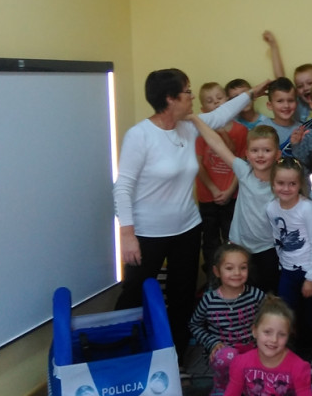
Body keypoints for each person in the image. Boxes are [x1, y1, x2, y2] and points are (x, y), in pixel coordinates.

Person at [113, 68, 267, 365]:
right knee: (133, 294)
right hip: (147, 233)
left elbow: (220, 115)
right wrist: (127, 234)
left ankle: (176, 359)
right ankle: (120, 357)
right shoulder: (140, 135)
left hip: (187, 228)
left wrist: (252, 93)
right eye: (187, 91)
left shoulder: (188, 126)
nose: (192, 96)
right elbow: (123, 187)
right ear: (170, 98)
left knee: (182, 297)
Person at [190, 117, 282, 295]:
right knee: (239, 293)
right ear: (247, 154)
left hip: (269, 249)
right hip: (240, 247)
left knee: (267, 294)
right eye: (255, 150)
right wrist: (196, 120)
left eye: (267, 150)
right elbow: (217, 143)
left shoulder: (281, 182)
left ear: (277, 154)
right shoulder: (244, 171)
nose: (260, 155)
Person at [265, 157, 312, 368]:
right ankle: (293, 352)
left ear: (300, 184)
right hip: (287, 271)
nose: (286, 188)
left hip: (307, 271)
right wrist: (281, 265)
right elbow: (277, 238)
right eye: (281, 183)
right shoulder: (271, 208)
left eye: (292, 183)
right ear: (273, 183)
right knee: (287, 314)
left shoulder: (307, 208)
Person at [189, 244, 266, 396]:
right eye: (229, 268)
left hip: (251, 349)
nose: (237, 273)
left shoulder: (256, 295)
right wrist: (212, 343)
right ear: (217, 271)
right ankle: (222, 385)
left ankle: (248, 383)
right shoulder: (209, 300)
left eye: (243, 268)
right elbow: (194, 324)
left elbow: (272, 315)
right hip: (223, 353)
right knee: (228, 356)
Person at [195, 82, 248, 277]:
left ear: (228, 101)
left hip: (232, 196)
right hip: (207, 196)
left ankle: (232, 278)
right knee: (210, 240)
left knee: (231, 238)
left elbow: (241, 163)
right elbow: (198, 164)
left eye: (220, 98)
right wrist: (214, 189)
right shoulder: (200, 132)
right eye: (210, 101)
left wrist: (229, 190)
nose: (216, 103)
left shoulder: (241, 131)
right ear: (203, 109)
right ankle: (212, 279)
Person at [223, 295, 312, 396]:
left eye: (282, 334)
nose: (274, 340)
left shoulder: (299, 367)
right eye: (267, 332)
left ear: (288, 336)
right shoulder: (241, 363)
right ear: (254, 331)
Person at [224, 31, 285, 131]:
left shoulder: (266, 123)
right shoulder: (231, 124)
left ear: (254, 95)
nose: (242, 100)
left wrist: (273, 46)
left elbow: (282, 85)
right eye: (236, 97)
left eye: (244, 94)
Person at [258, 77, 301, 156]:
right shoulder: (260, 129)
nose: (286, 105)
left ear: (296, 103)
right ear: (270, 105)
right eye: (280, 101)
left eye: (290, 100)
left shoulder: (302, 129)